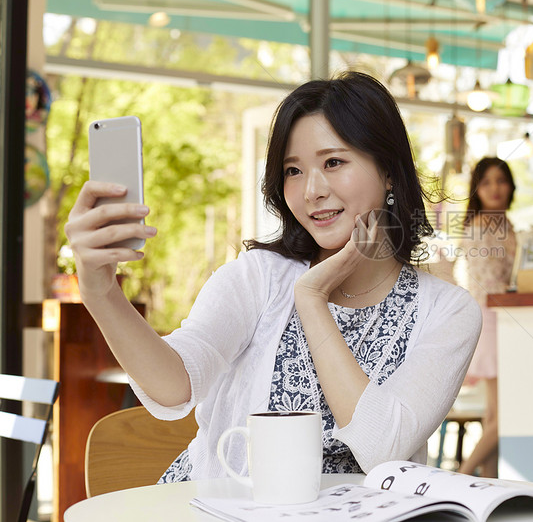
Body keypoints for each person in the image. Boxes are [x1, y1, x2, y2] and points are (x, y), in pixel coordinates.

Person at [64, 71, 482, 479]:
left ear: (389, 171)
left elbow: (381, 449)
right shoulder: (259, 277)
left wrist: (313, 299)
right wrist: (101, 292)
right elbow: (175, 389)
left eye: (333, 162)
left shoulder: (447, 311)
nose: (311, 190)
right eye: (293, 170)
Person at [455, 157, 517, 477]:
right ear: (477, 189)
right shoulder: (483, 227)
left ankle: (488, 489)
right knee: (502, 417)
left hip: (497, 320)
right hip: (493, 321)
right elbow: (493, 285)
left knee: (494, 416)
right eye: (487, 181)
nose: (494, 188)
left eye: (501, 180)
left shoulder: (503, 224)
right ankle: (461, 476)